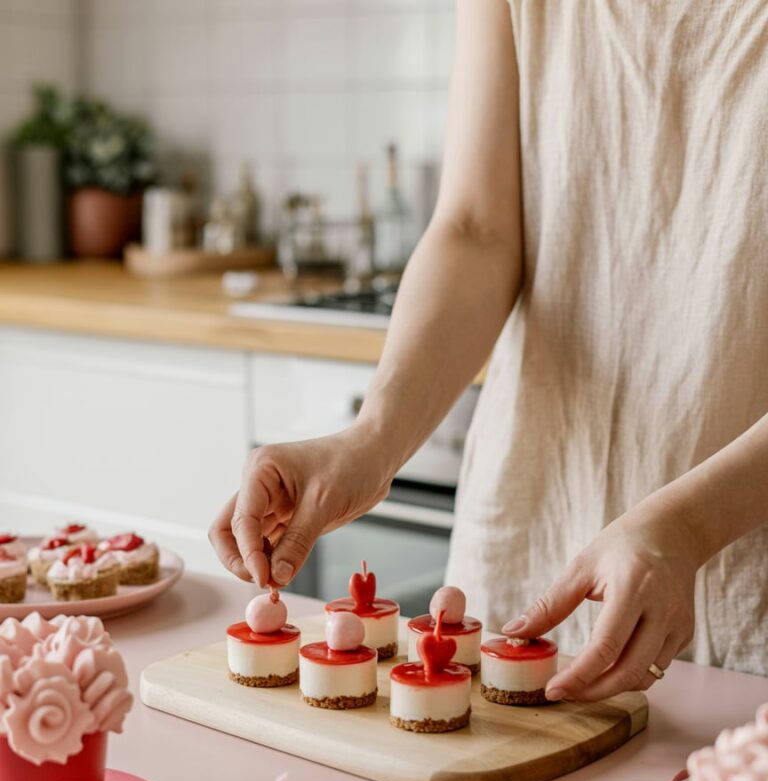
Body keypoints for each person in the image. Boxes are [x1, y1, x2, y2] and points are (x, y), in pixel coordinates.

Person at [211, 0, 768, 702]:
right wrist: (371, 441)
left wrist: (689, 523)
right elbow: (477, 228)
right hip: (536, 517)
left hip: (745, 554)